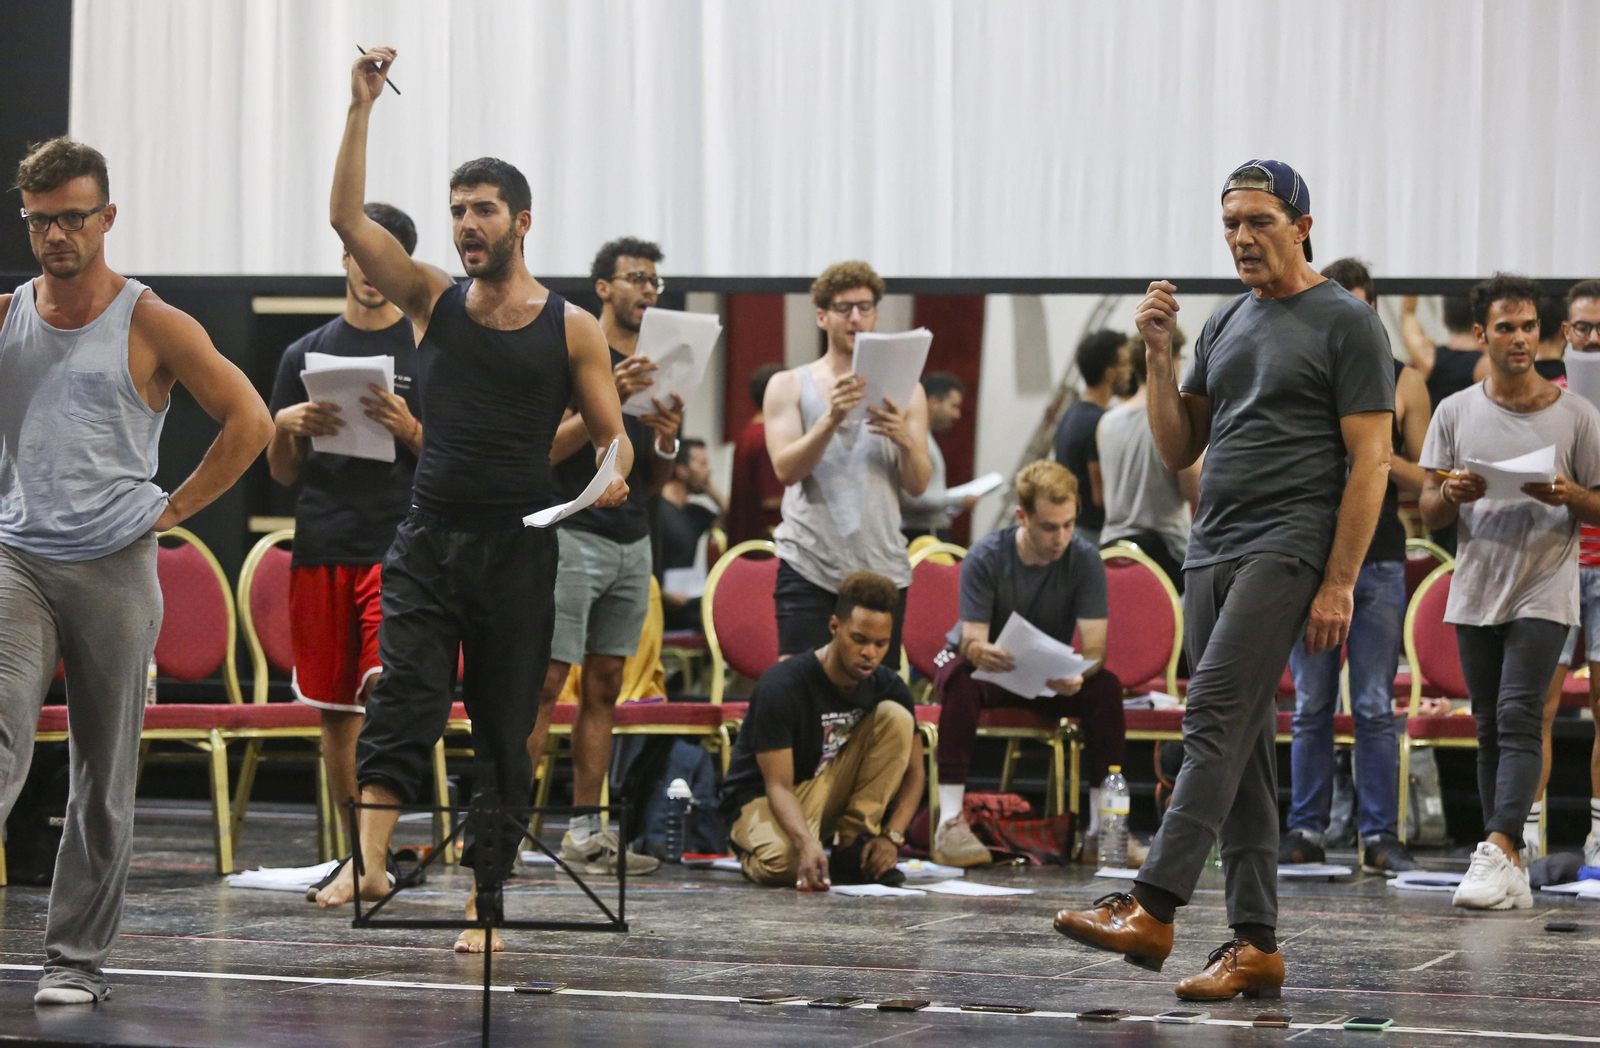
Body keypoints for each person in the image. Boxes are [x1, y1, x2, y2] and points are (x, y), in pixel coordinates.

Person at [312, 51, 633, 959]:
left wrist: (612, 470)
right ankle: (369, 863)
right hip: (428, 535)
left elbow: (613, 434)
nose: (465, 224)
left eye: (482, 209)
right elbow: (345, 216)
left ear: (522, 221)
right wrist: (359, 108)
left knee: (502, 724)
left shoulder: (570, 325)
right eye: (457, 211)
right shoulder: (430, 298)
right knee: (405, 695)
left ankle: (486, 901)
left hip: (519, 547)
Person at [1054, 161, 1395, 1001]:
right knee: (1239, 750)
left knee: (1208, 712)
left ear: (1302, 224)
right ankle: (1255, 944)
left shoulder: (1346, 325)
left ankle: (1155, 901)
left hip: (1288, 545)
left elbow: (1372, 462)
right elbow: (1177, 449)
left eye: (1259, 222)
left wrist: (1339, 581)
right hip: (1211, 548)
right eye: (1231, 225)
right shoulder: (1226, 321)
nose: (1242, 238)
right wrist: (1159, 354)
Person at [0, 137, 274, 1004]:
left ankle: (75, 963)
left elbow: (251, 420)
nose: (55, 236)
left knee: (103, 774)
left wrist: (176, 508)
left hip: (116, 564)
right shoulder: (8, 313)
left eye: (72, 218)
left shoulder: (151, 320)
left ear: (106, 217)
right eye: (39, 220)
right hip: (17, 558)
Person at [1419, 274, 1600, 910]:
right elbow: (1427, 508)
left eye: (1528, 327)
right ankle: (1512, 866)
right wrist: (1449, 493)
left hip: (1546, 587)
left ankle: (1496, 845)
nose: (1519, 339)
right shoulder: (1455, 411)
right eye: (1506, 328)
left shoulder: (1577, 414)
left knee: (1523, 714)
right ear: (1481, 336)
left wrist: (1571, 496)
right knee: (1491, 726)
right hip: (1476, 587)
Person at [267, 202, 422, 875]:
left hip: (402, 547)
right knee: (335, 711)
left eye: (381, 257)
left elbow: (457, 456)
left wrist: (409, 426)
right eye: (357, 255)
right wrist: (285, 426)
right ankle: (353, 859)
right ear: (343, 259)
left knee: (383, 694)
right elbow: (281, 474)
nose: (367, 271)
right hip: (324, 542)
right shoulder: (304, 352)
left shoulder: (428, 347)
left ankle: (375, 855)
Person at [524, 236, 684, 880]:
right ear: (604, 288)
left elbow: (643, 473)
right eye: (636, 278)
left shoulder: (660, 362)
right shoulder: (575, 352)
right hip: (572, 533)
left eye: (655, 282)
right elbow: (543, 453)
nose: (647, 290)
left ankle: (587, 832)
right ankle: (507, 824)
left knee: (606, 687)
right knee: (545, 686)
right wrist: (606, 397)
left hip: (631, 538)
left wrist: (669, 442)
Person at [1280, 258, 1428, 875]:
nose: (1356, 318)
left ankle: (1378, 835)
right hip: (1313, 556)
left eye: (1367, 307)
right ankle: (1306, 830)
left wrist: (1376, 455)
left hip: (1382, 558)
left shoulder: (1405, 381)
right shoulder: (1307, 372)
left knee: (1372, 704)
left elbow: (1429, 481)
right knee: (1312, 701)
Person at [929, 461, 1127, 868]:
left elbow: (1096, 650)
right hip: (992, 671)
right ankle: (949, 820)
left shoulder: (1084, 559)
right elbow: (972, 639)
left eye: (1069, 525)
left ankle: (1102, 830)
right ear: (1023, 517)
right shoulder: (987, 556)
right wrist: (978, 651)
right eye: (1050, 527)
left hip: (1047, 673)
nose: (1062, 538)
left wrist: (1079, 673)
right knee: (961, 680)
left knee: (1104, 686)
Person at [764, 261, 931, 669]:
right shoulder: (789, 384)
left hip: (881, 566)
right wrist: (831, 418)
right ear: (822, 316)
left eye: (864, 307)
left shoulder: (910, 388)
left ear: (876, 314)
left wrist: (904, 440)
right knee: (799, 687)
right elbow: (785, 470)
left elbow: (919, 484)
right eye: (843, 308)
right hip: (810, 562)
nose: (855, 317)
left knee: (873, 697)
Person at [719, 572, 925, 889]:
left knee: (896, 716)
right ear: (834, 627)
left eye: (880, 643)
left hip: (825, 784)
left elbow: (915, 774)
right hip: (763, 795)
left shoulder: (888, 686)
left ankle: (852, 845)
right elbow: (778, 786)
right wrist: (805, 842)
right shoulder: (783, 685)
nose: (870, 653)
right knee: (786, 867)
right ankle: (748, 850)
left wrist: (892, 837)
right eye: (859, 640)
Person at [1532, 280, 1600, 863]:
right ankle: (1523, 833)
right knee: (1538, 708)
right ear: (1565, 334)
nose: (1594, 337)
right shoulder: (1545, 399)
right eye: (1584, 327)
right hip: (1553, 563)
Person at [1098, 333, 1200, 591]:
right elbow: (1195, 490)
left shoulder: (1106, 421)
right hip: (1164, 553)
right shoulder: (1175, 418)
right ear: (1172, 361)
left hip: (1113, 550)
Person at [1053, 330, 1130, 547]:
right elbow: (1100, 496)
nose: (1129, 371)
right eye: (1124, 364)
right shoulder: (1099, 422)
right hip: (1093, 536)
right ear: (1110, 373)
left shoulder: (1070, 414)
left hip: (1075, 530)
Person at [899, 371, 982, 543]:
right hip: (922, 536)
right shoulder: (913, 440)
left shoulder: (925, 437)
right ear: (933, 402)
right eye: (954, 406)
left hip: (930, 532)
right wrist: (959, 500)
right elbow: (911, 498)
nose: (957, 415)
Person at [655, 437, 726, 631]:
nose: (708, 472)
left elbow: (735, 519)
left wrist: (710, 489)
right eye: (702, 465)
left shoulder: (694, 512)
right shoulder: (655, 508)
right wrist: (661, 593)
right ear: (681, 470)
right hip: (658, 601)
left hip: (686, 601)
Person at [727, 362, 784, 544]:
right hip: (766, 548)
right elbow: (772, 499)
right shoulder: (767, 438)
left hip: (749, 542)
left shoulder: (750, 433)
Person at [1402, 293, 1488, 409]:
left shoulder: (1427, 357)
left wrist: (1412, 278)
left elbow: (1408, 314)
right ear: (1479, 323)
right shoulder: (1487, 364)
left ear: (1444, 320)